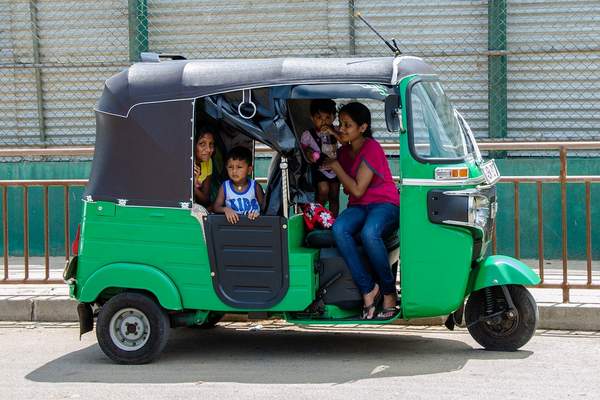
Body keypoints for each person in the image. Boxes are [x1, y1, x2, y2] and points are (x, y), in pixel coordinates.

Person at [324, 102, 400, 320]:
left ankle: (388, 292)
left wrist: (336, 166)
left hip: (384, 204)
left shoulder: (372, 148)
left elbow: (356, 188)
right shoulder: (344, 152)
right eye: (340, 124)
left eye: (348, 125)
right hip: (359, 206)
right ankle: (368, 288)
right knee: (339, 229)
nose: (342, 129)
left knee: (369, 233)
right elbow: (351, 190)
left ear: (363, 127)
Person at [300, 99, 340, 217]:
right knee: (323, 190)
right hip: (319, 169)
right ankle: (319, 218)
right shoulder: (308, 135)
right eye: (319, 118)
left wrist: (333, 132)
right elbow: (303, 150)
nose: (323, 121)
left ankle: (333, 221)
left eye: (327, 118)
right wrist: (310, 154)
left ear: (333, 118)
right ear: (312, 118)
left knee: (334, 194)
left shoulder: (337, 131)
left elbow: (344, 141)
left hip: (335, 169)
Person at [213, 146, 264, 224]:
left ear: (249, 170)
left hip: (253, 225)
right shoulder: (225, 187)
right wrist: (226, 209)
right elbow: (216, 207)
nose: (234, 171)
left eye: (239, 167)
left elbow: (264, 208)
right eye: (230, 167)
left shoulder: (255, 186)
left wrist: (257, 214)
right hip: (233, 226)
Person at [193, 127, 216, 207]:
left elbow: (206, 199)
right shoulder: (187, 163)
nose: (209, 150)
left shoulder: (208, 161)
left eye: (211, 144)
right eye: (202, 144)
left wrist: (193, 187)